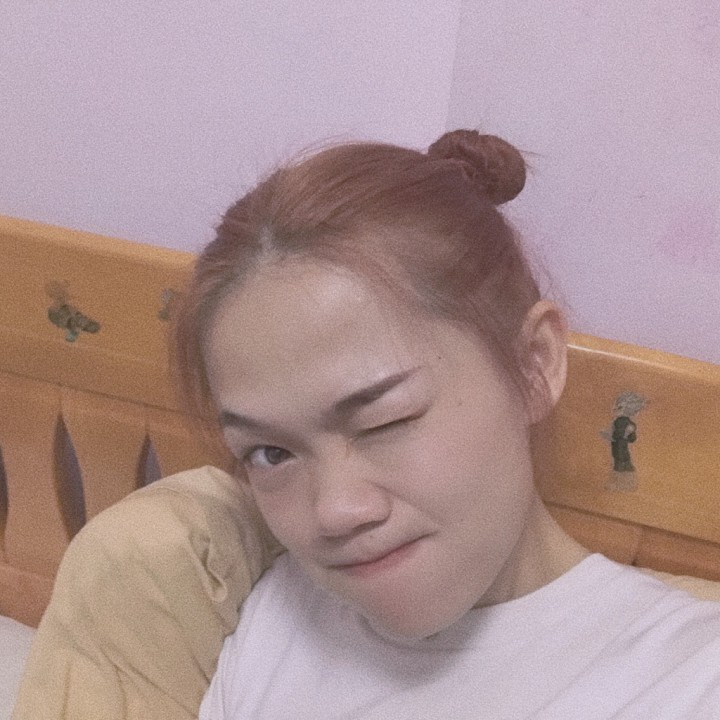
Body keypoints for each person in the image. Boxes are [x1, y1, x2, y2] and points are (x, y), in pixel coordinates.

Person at [172, 130, 720, 718]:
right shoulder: (276, 625)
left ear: (533, 366)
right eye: (270, 453)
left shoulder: (687, 679)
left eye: (385, 420)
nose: (334, 511)